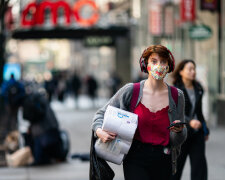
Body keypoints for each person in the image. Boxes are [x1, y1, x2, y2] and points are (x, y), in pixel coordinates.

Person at [92, 45, 187, 180]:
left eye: (163, 61)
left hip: (164, 158)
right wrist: (99, 131)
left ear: (169, 66)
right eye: (154, 61)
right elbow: (100, 114)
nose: (158, 66)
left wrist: (179, 131)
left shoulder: (177, 96)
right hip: (135, 158)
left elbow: (177, 140)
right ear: (145, 64)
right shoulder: (131, 91)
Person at [171, 60, 209, 180]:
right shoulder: (175, 90)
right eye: (189, 69)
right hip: (181, 133)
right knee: (176, 167)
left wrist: (205, 129)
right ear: (181, 71)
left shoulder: (198, 88)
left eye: (194, 69)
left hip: (197, 133)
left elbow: (199, 111)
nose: (193, 72)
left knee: (199, 167)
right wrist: (189, 121)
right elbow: (174, 112)